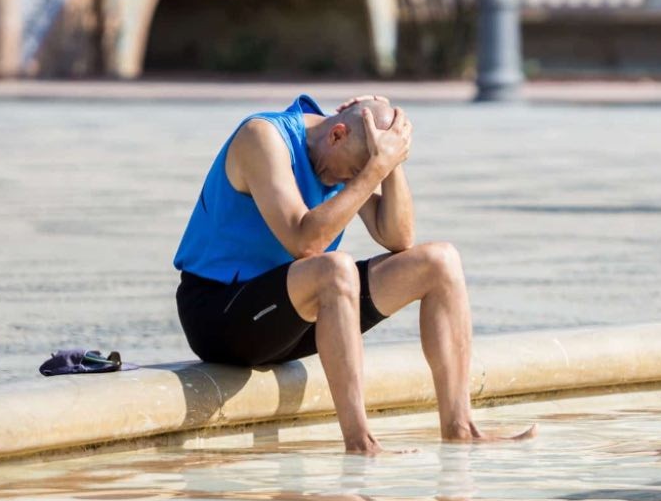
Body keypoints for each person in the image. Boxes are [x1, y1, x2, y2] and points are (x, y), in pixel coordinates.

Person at [172, 94, 534, 455]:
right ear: (336, 134)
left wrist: (392, 159)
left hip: (291, 316)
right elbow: (305, 242)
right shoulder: (262, 138)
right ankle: (360, 441)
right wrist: (373, 169)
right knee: (335, 267)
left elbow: (398, 237)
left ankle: (459, 428)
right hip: (220, 316)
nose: (348, 181)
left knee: (441, 262)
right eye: (352, 172)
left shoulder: (348, 155)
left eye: (362, 173)